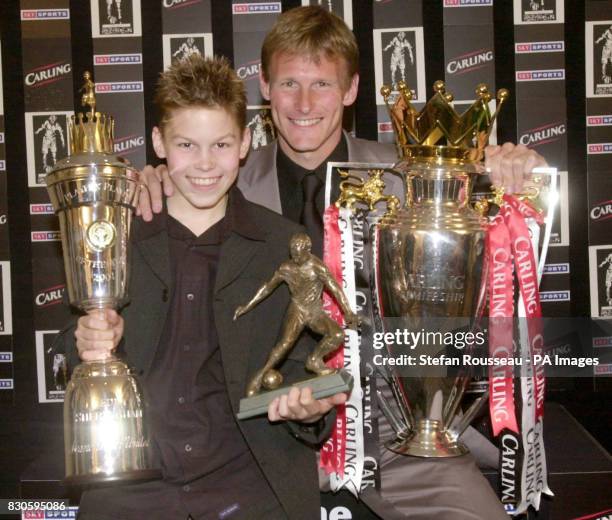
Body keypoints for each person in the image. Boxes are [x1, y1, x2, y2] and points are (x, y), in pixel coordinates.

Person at [137, 7, 547, 519]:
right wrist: (149, 181)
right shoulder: (219, 178)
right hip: (262, 441)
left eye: (322, 85)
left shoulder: (410, 184)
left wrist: (519, 173)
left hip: (398, 440)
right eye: (288, 83)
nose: (304, 104)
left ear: (352, 89)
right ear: (264, 86)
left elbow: (498, 234)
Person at [59, 55, 346, 520]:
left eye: (221, 144)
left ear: (245, 144)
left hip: (251, 490)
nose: (205, 164)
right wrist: (87, 339)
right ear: (158, 142)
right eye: (187, 145)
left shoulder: (282, 244)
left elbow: (304, 369)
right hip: (132, 491)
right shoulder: (115, 234)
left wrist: (307, 409)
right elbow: (70, 345)